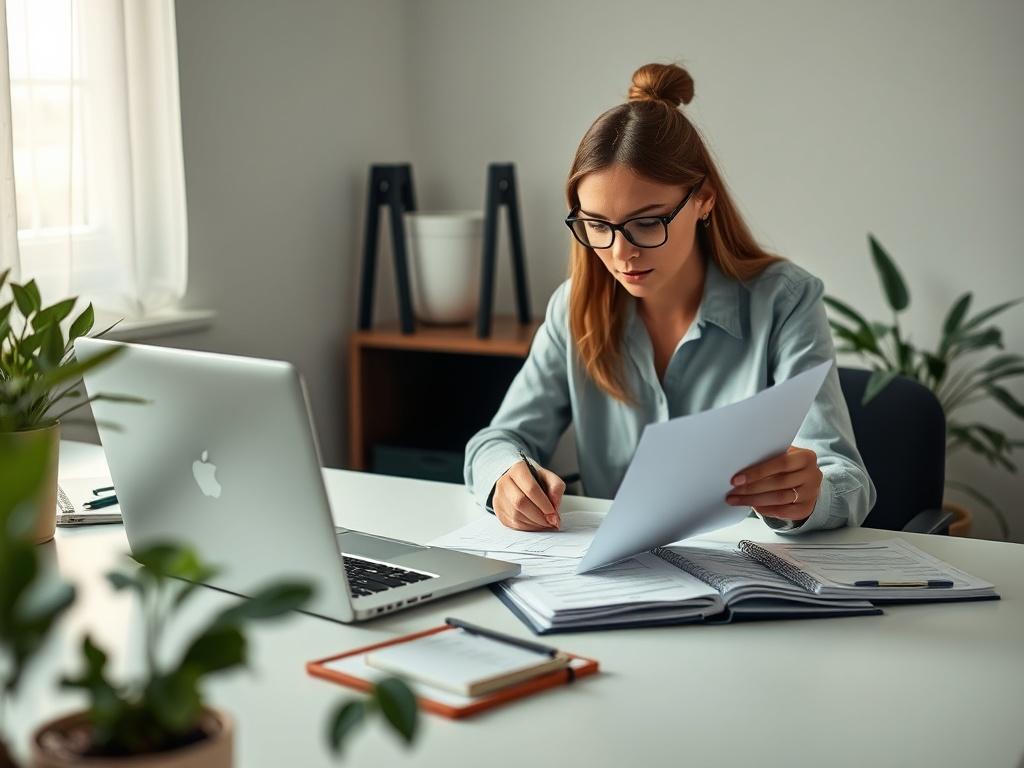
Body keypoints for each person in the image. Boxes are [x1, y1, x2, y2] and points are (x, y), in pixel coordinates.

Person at [464, 62, 875, 534]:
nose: (621, 253)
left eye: (647, 222)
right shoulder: (573, 308)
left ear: (703, 201)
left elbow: (847, 481)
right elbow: (497, 440)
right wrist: (505, 479)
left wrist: (808, 494)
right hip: (618, 584)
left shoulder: (785, 301)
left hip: (747, 573)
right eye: (597, 225)